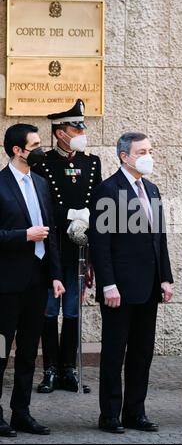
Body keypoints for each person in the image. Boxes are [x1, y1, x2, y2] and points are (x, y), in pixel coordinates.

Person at [89, 131, 173, 433]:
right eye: (141, 151)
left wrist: (166, 277)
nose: (147, 156)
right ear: (124, 156)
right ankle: (109, 414)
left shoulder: (151, 189)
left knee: (142, 353)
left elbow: (159, 238)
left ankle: (135, 412)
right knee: (114, 353)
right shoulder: (107, 190)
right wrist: (108, 284)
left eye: (149, 150)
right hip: (120, 289)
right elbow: (100, 244)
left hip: (149, 286)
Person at [33, 99, 102, 394]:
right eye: (77, 126)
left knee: (73, 311)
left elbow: (97, 201)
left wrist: (88, 221)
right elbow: (39, 205)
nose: (81, 130)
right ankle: (49, 369)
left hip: (78, 248)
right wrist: (68, 215)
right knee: (50, 310)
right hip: (52, 247)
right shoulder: (42, 163)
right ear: (61, 132)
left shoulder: (92, 162)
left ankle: (68, 369)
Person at [0, 124, 64, 437]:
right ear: (18, 150)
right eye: (35, 144)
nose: (40, 149)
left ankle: (21, 412)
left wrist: (55, 275)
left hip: (37, 282)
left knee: (28, 352)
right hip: (6, 284)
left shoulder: (40, 183)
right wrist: (23, 235)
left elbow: (50, 232)